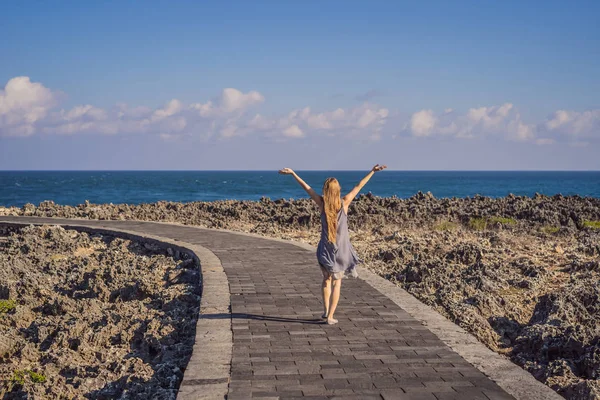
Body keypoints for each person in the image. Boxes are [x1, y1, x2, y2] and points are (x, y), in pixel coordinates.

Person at [278, 165, 387, 324]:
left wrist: (293, 173)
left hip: (325, 250)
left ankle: (325, 311)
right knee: (337, 282)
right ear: (338, 190)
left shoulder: (322, 204)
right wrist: (373, 171)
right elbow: (359, 186)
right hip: (341, 251)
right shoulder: (344, 203)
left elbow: (307, 188)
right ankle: (330, 316)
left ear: (325, 191)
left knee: (326, 280)